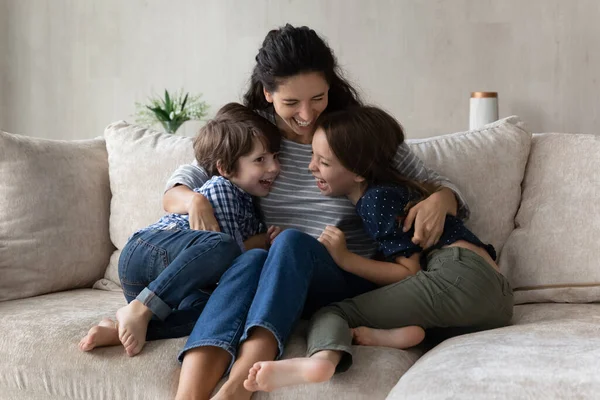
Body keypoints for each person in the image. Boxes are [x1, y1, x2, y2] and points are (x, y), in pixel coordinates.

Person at [165, 25, 471, 400]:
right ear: (267, 93)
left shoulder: (353, 134)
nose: (307, 115)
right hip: (273, 278)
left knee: (290, 242)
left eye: (318, 98)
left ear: (331, 87)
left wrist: (440, 199)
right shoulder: (253, 136)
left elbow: (440, 185)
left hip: (343, 276)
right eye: (291, 103)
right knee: (248, 260)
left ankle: (236, 387)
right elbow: (177, 187)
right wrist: (194, 201)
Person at [243, 106, 514, 393]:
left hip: (460, 276)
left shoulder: (375, 201)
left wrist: (345, 258)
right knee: (402, 314)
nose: (311, 167)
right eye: (313, 156)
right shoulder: (390, 193)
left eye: (323, 162)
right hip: (495, 303)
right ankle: (399, 335)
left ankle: (321, 360)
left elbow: (409, 273)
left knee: (333, 313)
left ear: (359, 172)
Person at [78, 103, 281, 357]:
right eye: (260, 160)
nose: (274, 168)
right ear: (226, 168)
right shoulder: (222, 187)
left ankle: (120, 329)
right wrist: (260, 242)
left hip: (170, 286)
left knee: (215, 310)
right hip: (147, 250)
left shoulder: (249, 203)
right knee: (223, 245)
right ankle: (141, 308)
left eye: (275, 157)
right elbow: (231, 261)